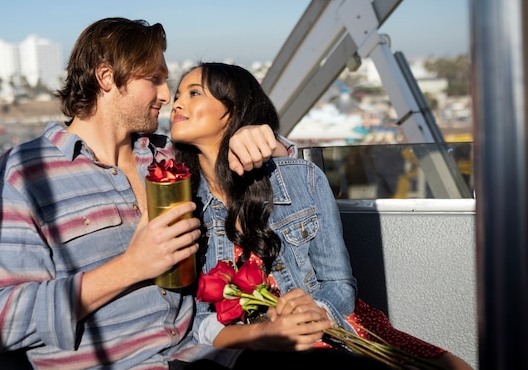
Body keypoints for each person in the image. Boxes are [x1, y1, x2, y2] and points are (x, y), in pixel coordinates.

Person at [0, 18, 392, 370]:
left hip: (206, 356)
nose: (166, 97)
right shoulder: (26, 175)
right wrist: (131, 267)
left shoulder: (170, 158)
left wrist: (260, 136)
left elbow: (253, 164)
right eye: (154, 80)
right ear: (106, 77)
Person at [170, 62, 474, 370]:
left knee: (454, 365)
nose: (177, 102)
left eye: (194, 93)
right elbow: (197, 322)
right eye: (178, 94)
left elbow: (339, 283)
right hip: (254, 348)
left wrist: (311, 315)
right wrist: (261, 333)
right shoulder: (181, 203)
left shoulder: (302, 180)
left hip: (332, 323)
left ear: (234, 111)